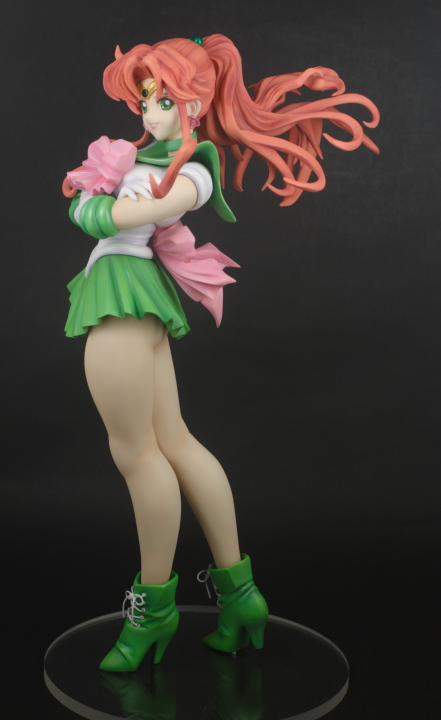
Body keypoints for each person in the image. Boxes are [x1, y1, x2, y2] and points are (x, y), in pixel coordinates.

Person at [62, 34, 379, 672]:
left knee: (138, 455)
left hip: (123, 301)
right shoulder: (150, 156)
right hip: (134, 296)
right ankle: (240, 596)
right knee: (174, 441)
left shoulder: (194, 171)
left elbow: (115, 218)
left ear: (194, 105)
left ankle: (153, 611)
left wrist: (93, 201)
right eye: (145, 100)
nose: (149, 112)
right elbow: (113, 207)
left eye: (163, 100)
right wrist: (103, 187)